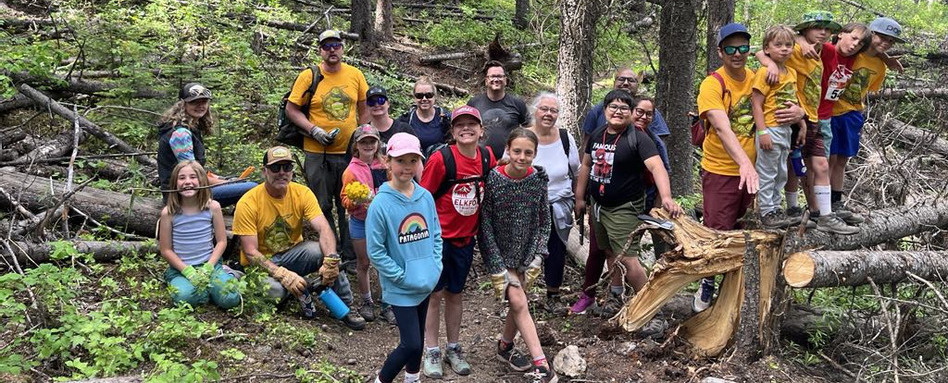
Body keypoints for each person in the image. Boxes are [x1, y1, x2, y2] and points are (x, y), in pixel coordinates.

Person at [693, 23, 805, 313]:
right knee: (719, 233)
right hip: (722, 170)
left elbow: (782, 97)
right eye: (731, 48)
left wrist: (800, 114)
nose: (738, 53)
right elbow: (721, 126)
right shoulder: (712, 84)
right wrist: (744, 163)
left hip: (758, 170)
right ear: (720, 52)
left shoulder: (759, 75)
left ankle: (737, 293)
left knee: (749, 233)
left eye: (743, 47)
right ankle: (707, 282)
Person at [572, 92, 683, 324]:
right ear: (605, 110)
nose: (618, 111)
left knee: (629, 259)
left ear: (631, 113)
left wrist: (666, 197)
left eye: (624, 108)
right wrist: (580, 197)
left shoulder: (638, 139)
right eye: (613, 106)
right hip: (598, 206)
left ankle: (652, 312)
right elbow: (586, 165)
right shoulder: (597, 134)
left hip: (623, 208)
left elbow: (657, 167)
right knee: (609, 252)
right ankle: (616, 296)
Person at [233, 146, 366, 330]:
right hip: (261, 265)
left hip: (293, 254)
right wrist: (281, 274)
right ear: (265, 171)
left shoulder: (302, 193)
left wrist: (331, 260)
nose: (281, 172)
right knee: (276, 291)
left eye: (286, 167)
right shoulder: (248, 202)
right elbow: (250, 252)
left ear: (292, 171)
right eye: (275, 167)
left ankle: (345, 305)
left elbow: (324, 228)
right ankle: (299, 289)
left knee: (326, 252)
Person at [756, 11, 859, 234]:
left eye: (827, 29)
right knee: (785, 166)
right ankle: (784, 209)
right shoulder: (792, 49)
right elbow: (763, 51)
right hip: (790, 118)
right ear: (805, 30)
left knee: (818, 165)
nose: (823, 32)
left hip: (813, 117)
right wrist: (770, 63)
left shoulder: (824, 51)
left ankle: (823, 214)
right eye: (817, 28)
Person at [419, 105, 497, 379]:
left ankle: (453, 347)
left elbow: (498, 183)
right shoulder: (442, 159)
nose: (466, 129)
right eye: (460, 125)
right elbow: (423, 197)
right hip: (438, 239)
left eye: (471, 124)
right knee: (434, 294)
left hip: (466, 239)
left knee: (456, 293)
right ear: (452, 131)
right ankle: (431, 350)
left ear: (481, 130)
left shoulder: (486, 157)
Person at [283, 29, 370, 273]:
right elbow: (291, 109)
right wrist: (313, 129)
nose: (332, 50)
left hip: (348, 154)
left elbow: (364, 106)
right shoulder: (308, 76)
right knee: (322, 205)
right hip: (316, 152)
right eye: (326, 46)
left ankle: (351, 255)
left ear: (343, 48)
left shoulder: (355, 74)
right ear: (320, 50)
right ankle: (333, 253)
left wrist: (361, 131)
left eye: (336, 45)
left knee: (350, 203)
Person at [479, 128, 558, 383]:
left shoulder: (537, 180)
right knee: (520, 302)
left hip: (527, 253)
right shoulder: (494, 179)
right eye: (517, 151)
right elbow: (485, 225)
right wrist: (497, 265)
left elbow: (544, 221)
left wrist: (539, 255)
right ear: (508, 150)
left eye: (528, 153)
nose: (522, 157)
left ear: (535, 154)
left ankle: (505, 346)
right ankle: (542, 364)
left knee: (518, 302)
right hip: (501, 254)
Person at [366, 133, 443, 383]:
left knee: (418, 338)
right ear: (387, 161)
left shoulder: (425, 197)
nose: (407, 167)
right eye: (400, 161)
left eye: (413, 160)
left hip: (425, 280)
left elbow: (436, 234)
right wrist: (400, 276)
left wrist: (435, 266)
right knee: (410, 343)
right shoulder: (380, 204)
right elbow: (376, 251)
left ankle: (412, 378)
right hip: (401, 286)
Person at [829, 17, 904, 222]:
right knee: (829, 158)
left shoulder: (880, 66)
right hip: (831, 112)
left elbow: (865, 92)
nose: (886, 43)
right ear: (871, 34)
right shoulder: (853, 52)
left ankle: (836, 201)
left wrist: (885, 58)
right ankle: (822, 203)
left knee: (842, 159)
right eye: (882, 38)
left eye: (891, 41)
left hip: (852, 114)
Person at [157, 82, 256, 207]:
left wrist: (223, 179)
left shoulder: (191, 128)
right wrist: (226, 183)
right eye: (194, 102)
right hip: (181, 195)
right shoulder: (181, 135)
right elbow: (192, 175)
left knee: (240, 184)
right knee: (252, 187)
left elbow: (198, 170)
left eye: (203, 102)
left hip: (190, 191)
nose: (200, 106)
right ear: (183, 104)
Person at [158, 160, 240, 309]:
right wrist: (187, 271)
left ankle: (224, 276)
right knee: (185, 298)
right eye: (182, 178)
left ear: (202, 181)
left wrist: (209, 267)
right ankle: (196, 289)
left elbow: (222, 241)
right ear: (175, 183)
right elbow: (166, 250)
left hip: (210, 266)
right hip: (180, 270)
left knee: (231, 298)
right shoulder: (168, 213)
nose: (187, 182)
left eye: (193, 177)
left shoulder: (213, 207)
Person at [527, 93, 579, 316]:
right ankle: (518, 296)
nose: (548, 114)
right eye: (544, 109)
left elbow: (576, 171)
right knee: (523, 249)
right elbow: (507, 165)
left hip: (559, 203)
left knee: (556, 250)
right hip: (528, 205)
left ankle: (553, 295)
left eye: (553, 110)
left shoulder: (565, 138)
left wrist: (579, 200)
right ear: (535, 111)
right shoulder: (523, 136)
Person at [751, 24, 806, 229]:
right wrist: (763, 131)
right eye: (778, 45)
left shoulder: (791, 72)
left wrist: (801, 123)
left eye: (788, 45)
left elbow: (792, 101)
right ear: (767, 48)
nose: (784, 49)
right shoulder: (765, 72)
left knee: (781, 171)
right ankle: (766, 211)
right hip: (770, 128)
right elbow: (756, 104)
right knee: (767, 171)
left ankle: (776, 208)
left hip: (785, 130)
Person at [341, 125, 393, 323]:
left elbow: (395, 186)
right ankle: (366, 301)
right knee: (363, 263)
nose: (368, 145)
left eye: (372, 141)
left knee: (384, 262)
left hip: (383, 222)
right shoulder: (351, 170)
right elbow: (344, 198)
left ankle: (387, 303)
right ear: (356, 145)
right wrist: (356, 200)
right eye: (364, 142)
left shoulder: (385, 165)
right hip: (360, 221)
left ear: (378, 143)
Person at [581, 67, 671, 169]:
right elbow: (587, 144)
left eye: (631, 80)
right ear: (614, 82)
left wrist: (662, 169)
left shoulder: (647, 110)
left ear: (638, 85)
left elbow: (660, 142)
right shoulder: (597, 111)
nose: (626, 83)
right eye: (621, 79)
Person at [467, 60, 530, 157]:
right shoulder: (474, 103)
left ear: (505, 80)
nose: (496, 79)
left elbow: (529, 129)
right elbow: (467, 129)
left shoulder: (518, 103)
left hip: (510, 159)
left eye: (500, 76)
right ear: (486, 81)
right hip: (480, 158)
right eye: (492, 76)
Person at [397, 76, 452, 156]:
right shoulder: (406, 119)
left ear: (435, 96)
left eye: (429, 95)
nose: (424, 99)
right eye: (419, 95)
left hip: (439, 161)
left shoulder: (445, 118)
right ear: (414, 97)